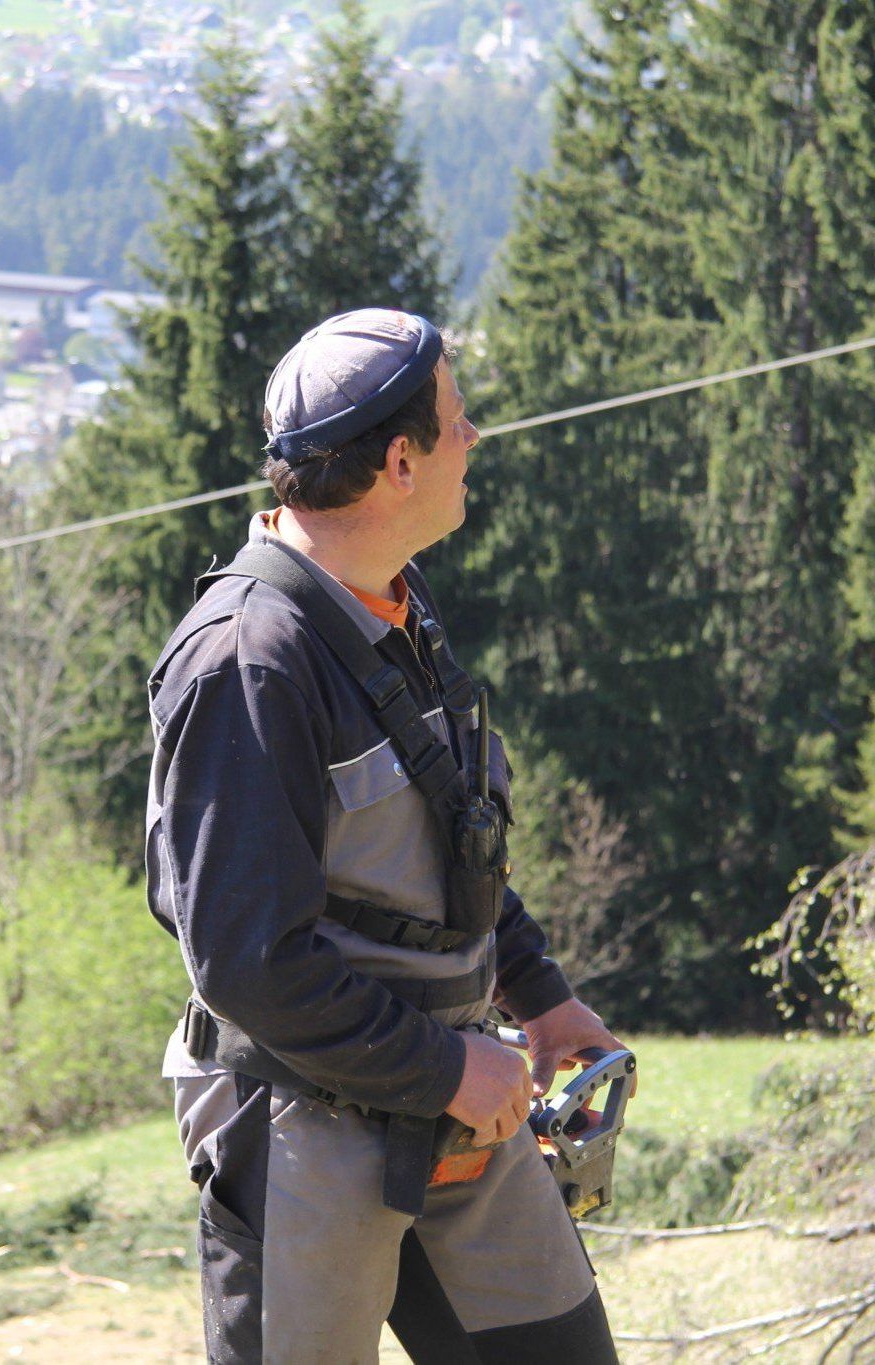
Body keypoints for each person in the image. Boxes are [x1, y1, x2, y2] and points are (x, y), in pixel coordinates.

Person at [145, 309, 625, 1363]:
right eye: (458, 421)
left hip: (459, 1110)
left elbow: (450, 845)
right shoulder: (245, 664)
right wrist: (444, 1069)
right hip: (299, 1133)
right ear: (398, 461)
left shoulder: (394, 605)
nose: (475, 440)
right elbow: (245, 962)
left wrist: (535, 999)